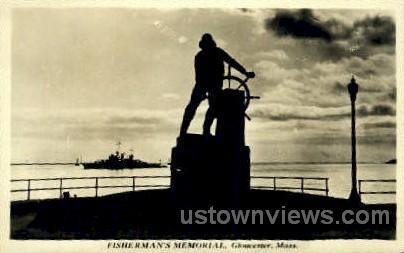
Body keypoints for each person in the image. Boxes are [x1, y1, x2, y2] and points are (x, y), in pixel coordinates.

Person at [179, 33, 255, 136]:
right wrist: (245, 73)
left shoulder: (203, 55)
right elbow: (199, 74)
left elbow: (231, 62)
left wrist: (245, 72)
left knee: (208, 108)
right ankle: (188, 131)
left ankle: (201, 131)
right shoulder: (205, 55)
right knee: (195, 108)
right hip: (205, 85)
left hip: (209, 85)